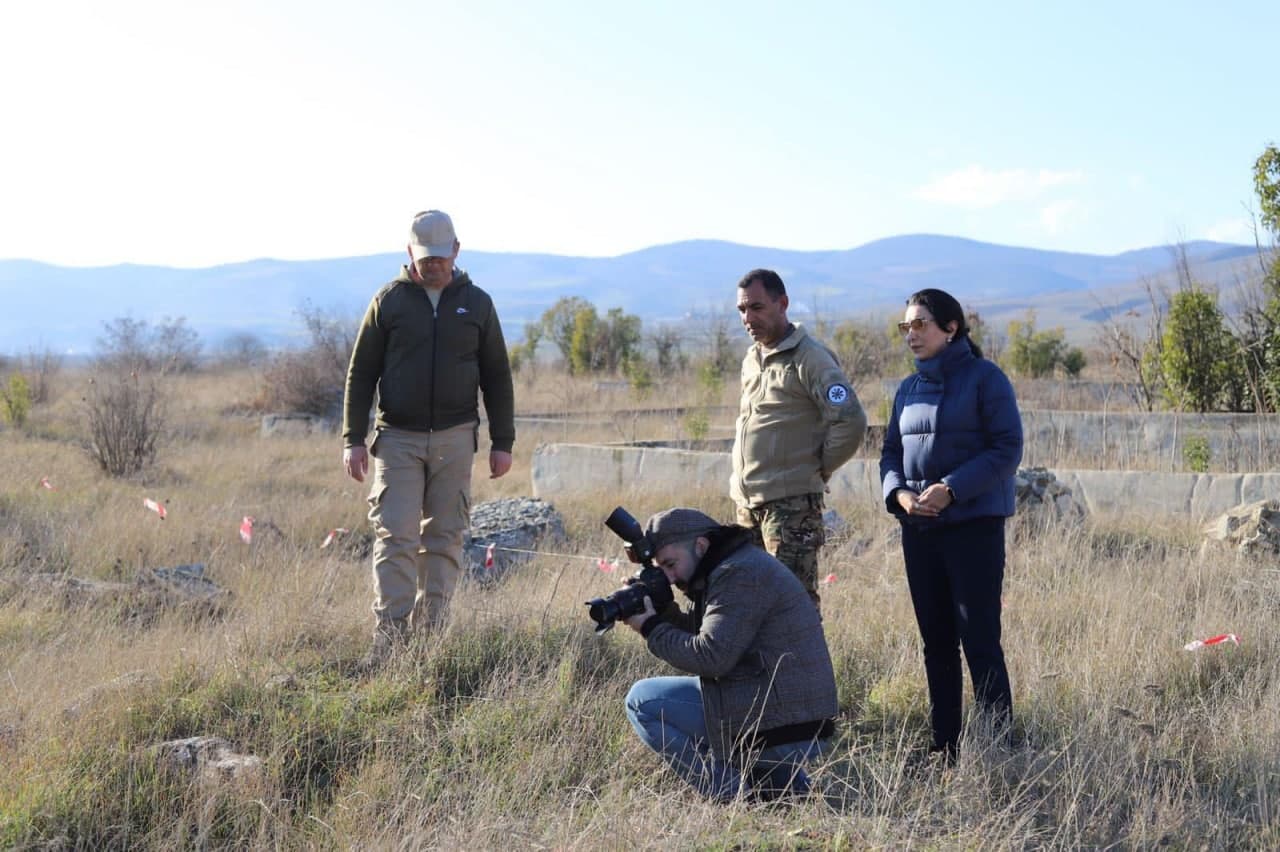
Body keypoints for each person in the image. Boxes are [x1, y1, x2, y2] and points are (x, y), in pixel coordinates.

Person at [342, 209, 515, 666]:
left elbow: (497, 375)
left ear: (456, 251)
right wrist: (352, 438)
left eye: (440, 256)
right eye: (425, 258)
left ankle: (432, 636)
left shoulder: (477, 303)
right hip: (396, 438)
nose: (433, 265)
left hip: (456, 439)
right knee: (395, 536)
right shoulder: (390, 301)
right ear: (409, 253)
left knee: (445, 537)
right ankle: (390, 642)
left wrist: (503, 442)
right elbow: (361, 374)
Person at [878, 288, 1023, 762]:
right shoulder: (906, 389)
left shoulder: (985, 378)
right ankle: (944, 749)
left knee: (979, 640)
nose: (911, 334)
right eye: (906, 326)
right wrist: (898, 494)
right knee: (935, 642)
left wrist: (952, 488)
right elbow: (890, 455)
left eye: (920, 324)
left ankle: (1000, 748)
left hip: (972, 528)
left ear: (951, 327)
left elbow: (1006, 449)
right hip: (919, 530)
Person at [621, 507, 839, 802]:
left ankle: (730, 796)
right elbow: (712, 635)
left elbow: (711, 657)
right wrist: (664, 612)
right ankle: (782, 786)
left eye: (671, 564)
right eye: (663, 569)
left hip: (785, 725)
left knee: (642, 701)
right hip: (786, 714)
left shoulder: (738, 574)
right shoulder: (734, 564)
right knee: (778, 796)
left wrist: (650, 628)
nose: (670, 578)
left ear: (701, 545)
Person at [731, 268, 868, 611]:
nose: (749, 318)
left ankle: (802, 667)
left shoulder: (810, 357)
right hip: (749, 506)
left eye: (757, 307)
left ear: (783, 304)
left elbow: (850, 420)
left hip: (790, 509)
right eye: (742, 310)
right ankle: (762, 668)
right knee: (749, 606)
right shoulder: (752, 358)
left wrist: (816, 468)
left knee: (791, 608)